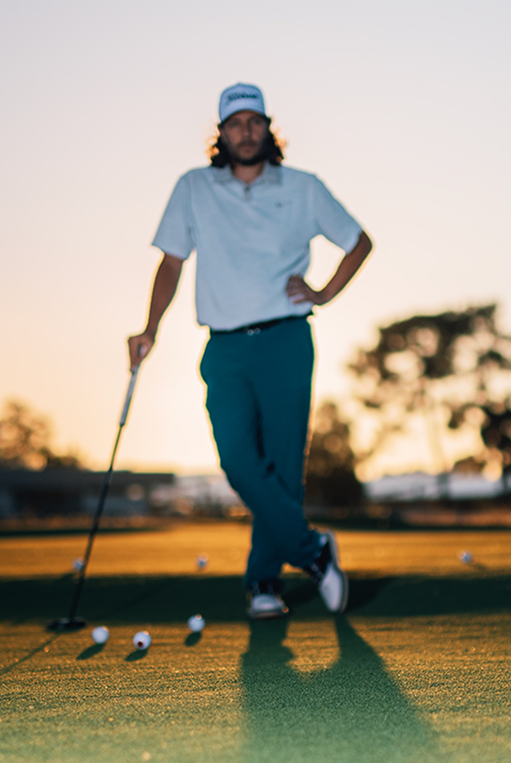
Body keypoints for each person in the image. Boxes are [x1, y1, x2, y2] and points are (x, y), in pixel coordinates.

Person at [128, 83, 375, 620]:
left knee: (284, 469)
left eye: (255, 121)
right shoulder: (193, 187)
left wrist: (325, 292)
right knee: (239, 461)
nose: (246, 131)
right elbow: (171, 262)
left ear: (268, 128)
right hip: (225, 347)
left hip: (286, 339)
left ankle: (263, 583)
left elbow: (359, 241)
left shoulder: (303, 187)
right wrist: (150, 327)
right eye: (235, 123)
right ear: (219, 134)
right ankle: (314, 553)